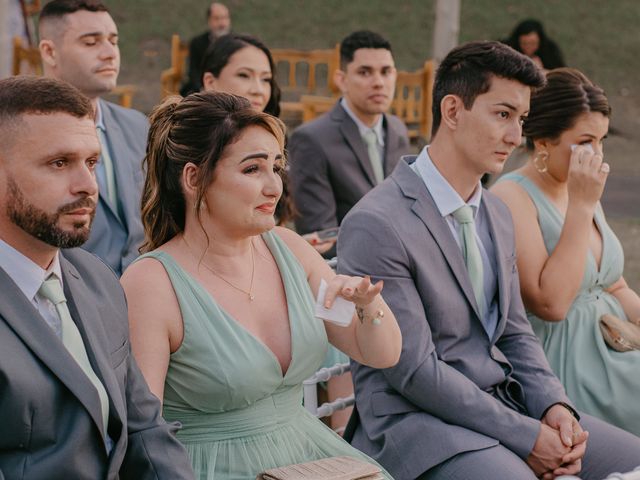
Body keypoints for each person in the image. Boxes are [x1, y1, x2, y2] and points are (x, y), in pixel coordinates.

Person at [337, 41, 640, 480]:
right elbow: (417, 372)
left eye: (521, 119)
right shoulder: (376, 222)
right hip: (418, 425)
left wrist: (554, 406)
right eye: (503, 115)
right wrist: (527, 436)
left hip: (504, 407)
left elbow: (516, 332)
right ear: (453, 111)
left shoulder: (495, 211)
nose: (516, 136)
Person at [120, 91, 402, 480]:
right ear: (193, 177)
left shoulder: (290, 249)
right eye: (252, 170)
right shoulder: (150, 283)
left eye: (276, 167)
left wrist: (367, 304)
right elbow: (140, 430)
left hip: (310, 459)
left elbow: (380, 354)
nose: (274, 187)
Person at [0, 75, 194, 480]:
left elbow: (145, 429)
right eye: (59, 163)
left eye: (91, 162)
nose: (89, 186)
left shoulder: (98, 280)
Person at [491, 68, 640, 437]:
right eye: (586, 141)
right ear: (543, 142)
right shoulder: (512, 197)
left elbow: (613, 285)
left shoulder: (578, 187)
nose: (598, 155)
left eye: (602, 141)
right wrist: (582, 206)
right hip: (567, 360)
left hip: (614, 341)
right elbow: (551, 304)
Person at [39, 0, 147, 276]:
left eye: (113, 41)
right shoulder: (22, 137)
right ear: (50, 52)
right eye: (91, 42)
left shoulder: (138, 126)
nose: (110, 53)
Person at [289, 30, 411, 258]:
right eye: (365, 72)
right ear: (342, 80)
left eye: (386, 72)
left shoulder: (398, 130)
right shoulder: (311, 140)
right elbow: (321, 236)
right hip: (348, 272)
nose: (378, 82)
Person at [201, 32, 296, 227]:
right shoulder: (189, 140)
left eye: (266, 79)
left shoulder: (275, 138)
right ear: (210, 81)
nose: (258, 90)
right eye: (244, 75)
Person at [181, 2, 231, 95]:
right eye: (217, 18)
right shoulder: (197, 42)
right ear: (209, 20)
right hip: (202, 88)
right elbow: (193, 72)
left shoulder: (237, 42)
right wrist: (203, 89)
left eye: (225, 18)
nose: (222, 23)